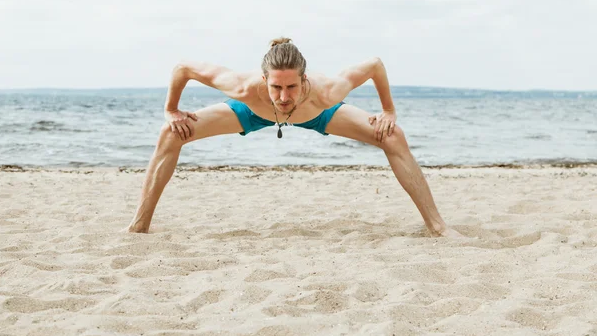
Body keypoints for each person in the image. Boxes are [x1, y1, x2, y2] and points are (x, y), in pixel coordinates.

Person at [127, 37, 461, 237]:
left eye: (291, 86)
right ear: (264, 79)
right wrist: (172, 109)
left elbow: (374, 64)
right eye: (276, 86)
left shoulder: (327, 91)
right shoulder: (243, 87)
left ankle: (437, 226)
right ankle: (139, 226)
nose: (284, 95)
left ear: (304, 79)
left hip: (317, 114)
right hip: (253, 111)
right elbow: (183, 67)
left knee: (393, 136)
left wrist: (388, 111)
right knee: (170, 133)